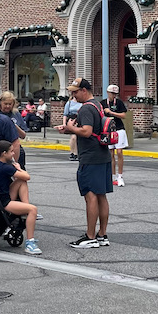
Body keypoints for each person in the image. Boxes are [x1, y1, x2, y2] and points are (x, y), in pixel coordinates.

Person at [56, 78, 111, 249]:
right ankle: (102, 235)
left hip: (90, 157)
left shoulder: (86, 108)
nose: (73, 95)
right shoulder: (97, 105)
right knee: (101, 195)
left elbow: (86, 132)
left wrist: (70, 128)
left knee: (90, 195)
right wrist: (69, 130)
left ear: (84, 90)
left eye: (75, 92)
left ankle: (90, 236)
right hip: (102, 155)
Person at [0, 139, 41, 255]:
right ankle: (30, 243)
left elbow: (23, 179)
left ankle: (25, 210)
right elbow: (27, 176)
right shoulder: (5, 167)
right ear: (4, 153)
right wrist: (19, 168)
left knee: (21, 181)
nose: (13, 153)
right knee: (33, 209)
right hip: (4, 203)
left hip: (1, 196)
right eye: (11, 151)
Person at [103, 84, 128, 187]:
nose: (113, 96)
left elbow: (123, 115)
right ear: (108, 93)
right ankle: (113, 176)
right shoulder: (103, 103)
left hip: (119, 128)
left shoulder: (119, 103)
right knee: (111, 153)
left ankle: (120, 176)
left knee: (119, 151)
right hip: (108, 130)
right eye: (112, 93)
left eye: (115, 94)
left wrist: (112, 113)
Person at [63, 82, 81, 160]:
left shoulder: (82, 103)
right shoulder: (69, 103)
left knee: (77, 137)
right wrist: (64, 124)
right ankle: (72, 152)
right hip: (71, 120)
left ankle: (76, 153)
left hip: (79, 119)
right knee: (73, 137)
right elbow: (65, 114)